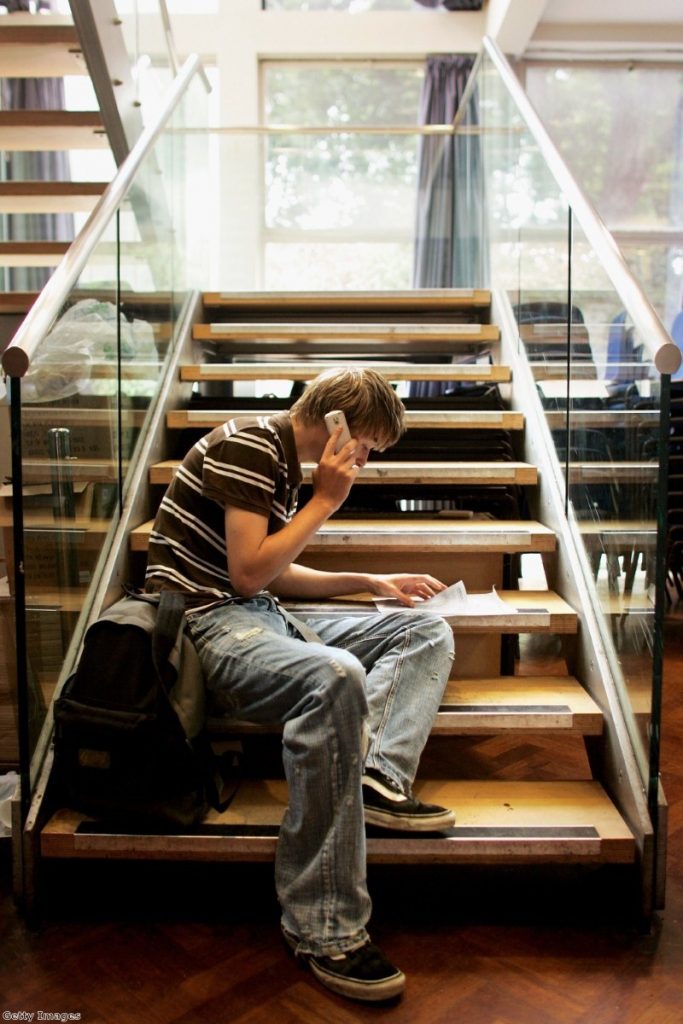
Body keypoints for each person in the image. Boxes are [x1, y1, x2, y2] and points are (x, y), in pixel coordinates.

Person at [145, 367, 455, 1002]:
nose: (364, 462)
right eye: (366, 446)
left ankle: (376, 777)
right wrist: (325, 502)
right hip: (209, 628)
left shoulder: (280, 457)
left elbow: (270, 574)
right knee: (335, 674)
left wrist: (372, 584)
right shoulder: (254, 445)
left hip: (258, 613)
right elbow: (249, 575)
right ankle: (325, 927)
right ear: (336, 422)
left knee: (425, 631)